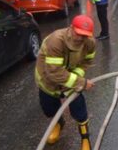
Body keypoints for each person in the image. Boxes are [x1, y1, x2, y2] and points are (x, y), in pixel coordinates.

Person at [35, 15, 96, 150]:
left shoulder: (90, 43)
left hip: (70, 78)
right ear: (71, 28)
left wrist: (77, 77)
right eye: (78, 33)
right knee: (49, 109)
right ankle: (58, 123)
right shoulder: (56, 41)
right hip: (48, 80)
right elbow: (55, 72)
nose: (81, 38)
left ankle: (85, 138)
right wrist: (82, 82)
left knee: (79, 109)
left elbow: (87, 62)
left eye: (85, 35)